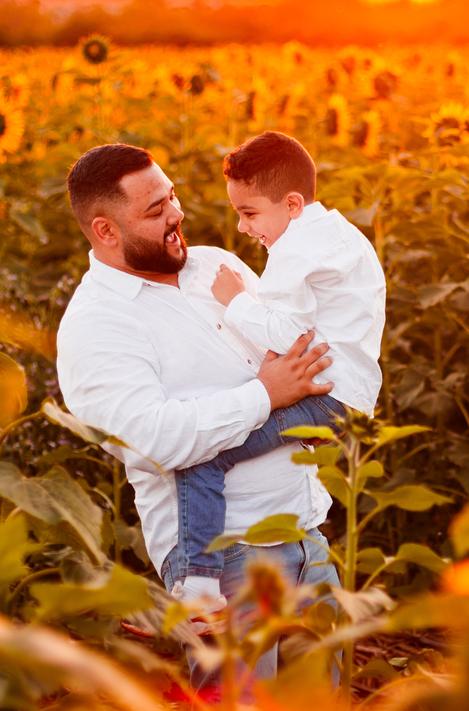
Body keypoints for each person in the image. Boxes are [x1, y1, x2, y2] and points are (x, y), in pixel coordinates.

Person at [55, 143, 338, 689]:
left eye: (173, 196)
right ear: (106, 232)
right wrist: (266, 394)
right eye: (155, 210)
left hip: (306, 535)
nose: (177, 214)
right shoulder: (96, 326)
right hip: (223, 561)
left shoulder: (217, 264)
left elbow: (291, 349)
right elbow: (153, 439)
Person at [173, 131, 386, 609]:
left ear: (292, 204)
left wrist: (234, 302)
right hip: (349, 396)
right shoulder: (340, 235)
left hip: (323, 396)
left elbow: (289, 334)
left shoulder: (296, 252)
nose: (245, 228)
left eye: (250, 213)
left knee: (204, 451)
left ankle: (200, 583)